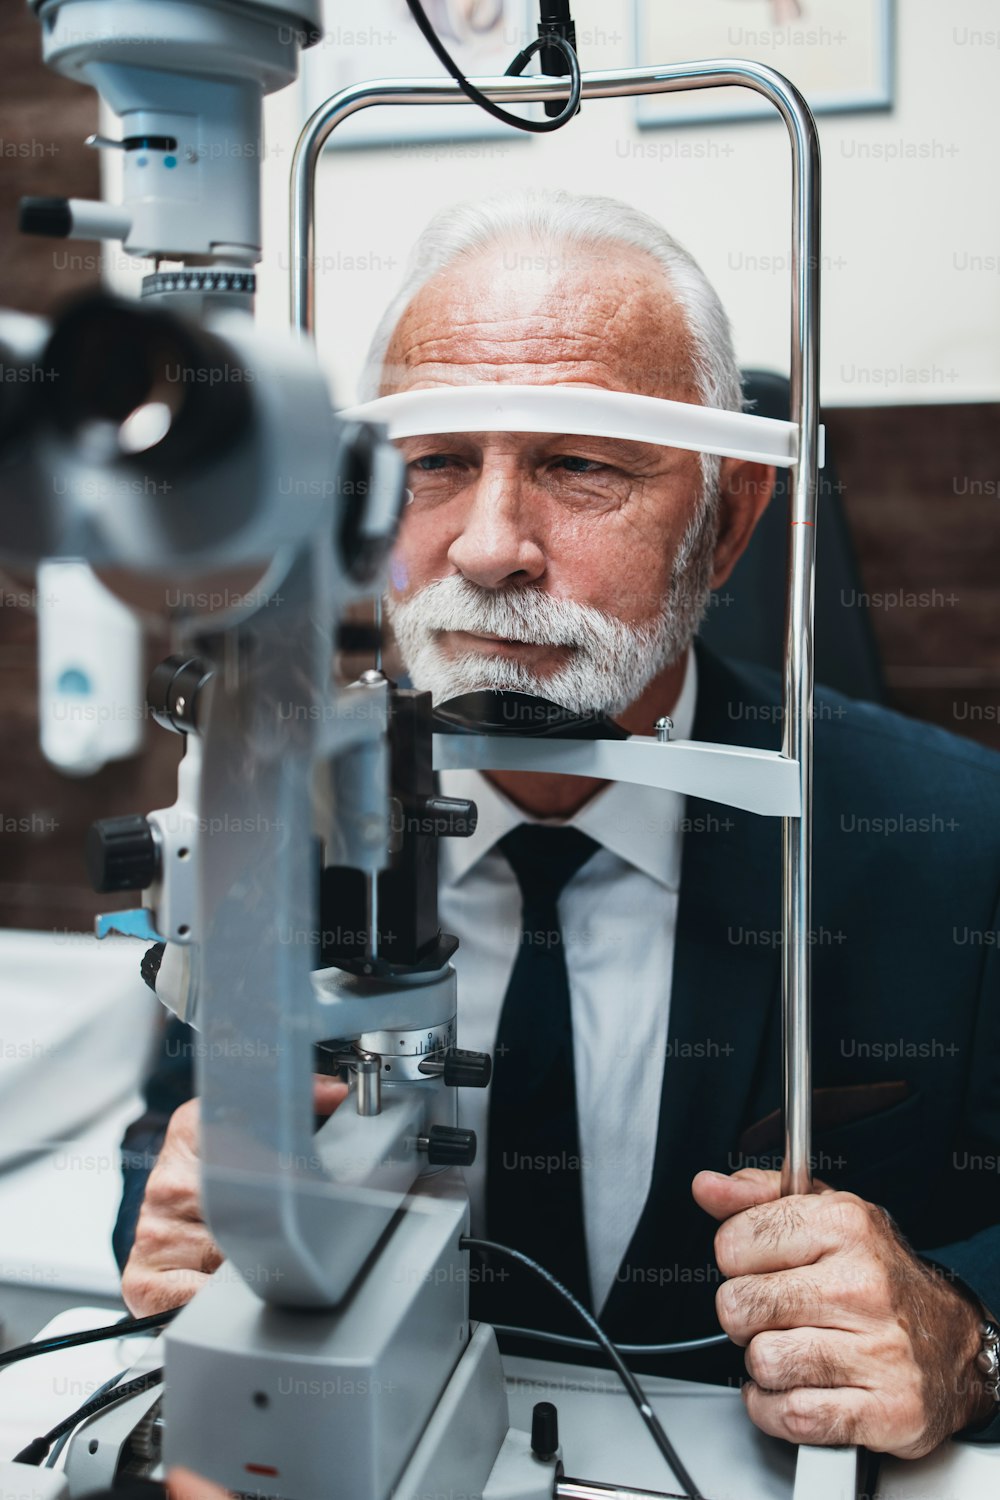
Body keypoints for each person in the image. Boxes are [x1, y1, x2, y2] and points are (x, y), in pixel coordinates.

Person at [113, 190, 1000, 1458]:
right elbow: (169, 1152)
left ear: (727, 520)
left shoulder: (955, 841)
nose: (487, 548)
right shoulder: (273, 826)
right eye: (435, 464)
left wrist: (964, 1339)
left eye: (579, 463)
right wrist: (186, 1221)